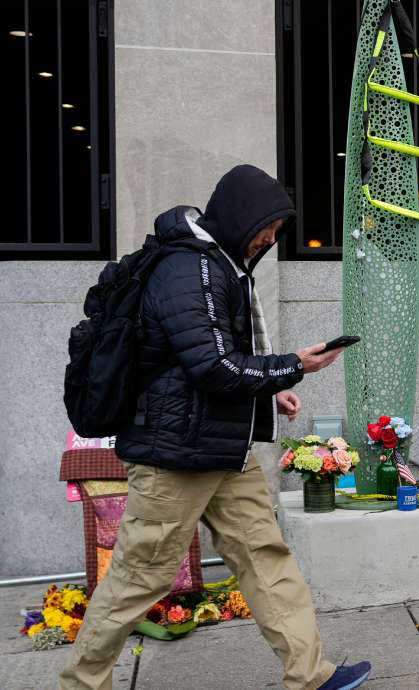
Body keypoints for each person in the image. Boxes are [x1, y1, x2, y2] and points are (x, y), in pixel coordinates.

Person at [60, 165, 371, 690]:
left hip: (222, 449)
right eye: (266, 226)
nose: (271, 238)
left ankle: (311, 675)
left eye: (277, 229)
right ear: (238, 216)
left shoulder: (219, 265)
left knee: (263, 557)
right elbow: (212, 367)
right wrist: (294, 364)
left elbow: (216, 363)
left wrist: (273, 385)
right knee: (141, 578)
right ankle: (81, 684)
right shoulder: (191, 269)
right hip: (176, 456)